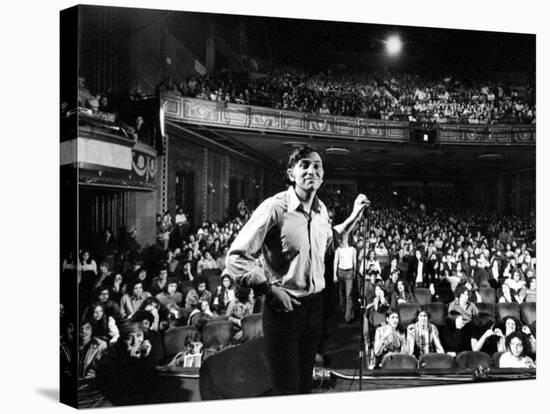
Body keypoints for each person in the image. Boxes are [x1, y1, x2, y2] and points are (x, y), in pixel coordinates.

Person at [225, 145, 369, 395]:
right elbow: (235, 258)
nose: (311, 170)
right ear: (291, 173)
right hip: (284, 309)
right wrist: (267, 289)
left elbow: (331, 239)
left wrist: (355, 215)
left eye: (317, 166)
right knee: (286, 388)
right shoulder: (275, 208)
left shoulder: (322, 209)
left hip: (315, 308)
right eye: (304, 164)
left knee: (304, 384)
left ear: (322, 176)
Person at [333, 234, 357, 322]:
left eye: (345, 237)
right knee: (341, 292)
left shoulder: (353, 249)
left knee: (349, 295)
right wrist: (334, 275)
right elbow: (335, 262)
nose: (344, 239)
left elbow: (354, 261)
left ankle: (348, 316)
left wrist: (355, 272)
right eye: (343, 237)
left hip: (349, 272)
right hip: (340, 272)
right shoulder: (338, 250)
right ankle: (345, 309)